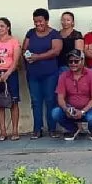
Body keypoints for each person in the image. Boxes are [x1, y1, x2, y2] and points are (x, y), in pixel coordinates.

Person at [22, 8, 62, 139]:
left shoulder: (54, 34)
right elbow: (24, 48)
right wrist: (27, 56)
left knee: (51, 100)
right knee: (35, 101)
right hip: (33, 73)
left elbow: (56, 51)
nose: (38, 24)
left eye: (40, 21)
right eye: (35, 22)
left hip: (50, 73)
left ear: (47, 20)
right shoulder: (30, 33)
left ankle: (52, 129)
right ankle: (37, 129)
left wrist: (37, 57)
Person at [51, 49, 92, 141]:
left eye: (76, 61)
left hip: (88, 109)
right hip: (71, 109)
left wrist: (82, 111)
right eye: (70, 61)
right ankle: (73, 129)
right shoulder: (63, 75)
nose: (73, 64)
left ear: (82, 61)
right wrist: (66, 109)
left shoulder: (91, 74)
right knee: (55, 113)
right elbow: (60, 98)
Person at [0, 17, 22, 140]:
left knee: (13, 102)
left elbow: (16, 60)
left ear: (8, 27)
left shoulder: (14, 41)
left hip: (10, 74)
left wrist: (7, 74)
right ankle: (3, 131)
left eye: (2, 26)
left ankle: (15, 131)